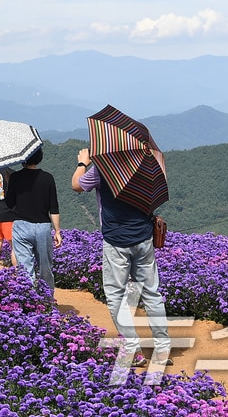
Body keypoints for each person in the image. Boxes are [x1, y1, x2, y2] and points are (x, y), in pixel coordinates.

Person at [72, 147, 171, 369]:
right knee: (152, 293)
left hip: (116, 240)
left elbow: (77, 185)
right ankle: (163, 350)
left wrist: (83, 163)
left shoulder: (103, 168)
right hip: (143, 237)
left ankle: (133, 350)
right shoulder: (146, 167)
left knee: (116, 295)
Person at [5, 148, 61, 291]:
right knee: (45, 267)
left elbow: (9, 203)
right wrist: (57, 231)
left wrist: (10, 183)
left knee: (25, 268)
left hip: (21, 225)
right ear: (40, 158)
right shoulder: (48, 178)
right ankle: (47, 298)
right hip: (43, 226)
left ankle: (30, 298)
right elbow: (54, 207)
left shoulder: (15, 177)